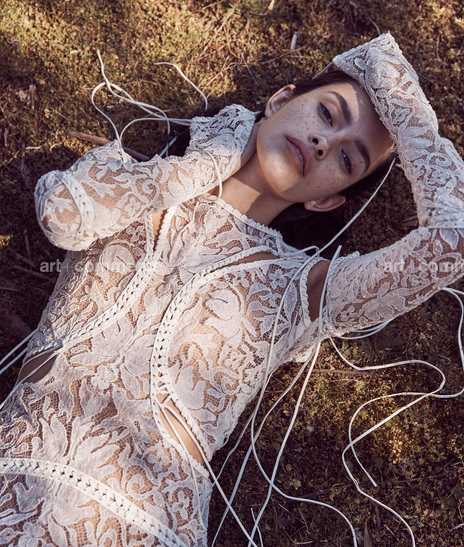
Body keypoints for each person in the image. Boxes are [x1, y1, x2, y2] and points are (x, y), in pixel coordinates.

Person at [0, 33, 462, 547]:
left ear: (327, 202)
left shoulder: (305, 291)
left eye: (348, 160)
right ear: (280, 100)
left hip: (143, 523)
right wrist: (210, 161)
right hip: (13, 472)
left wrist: (396, 86)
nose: (323, 144)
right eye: (327, 114)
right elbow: (63, 214)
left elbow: (452, 243)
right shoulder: (129, 178)